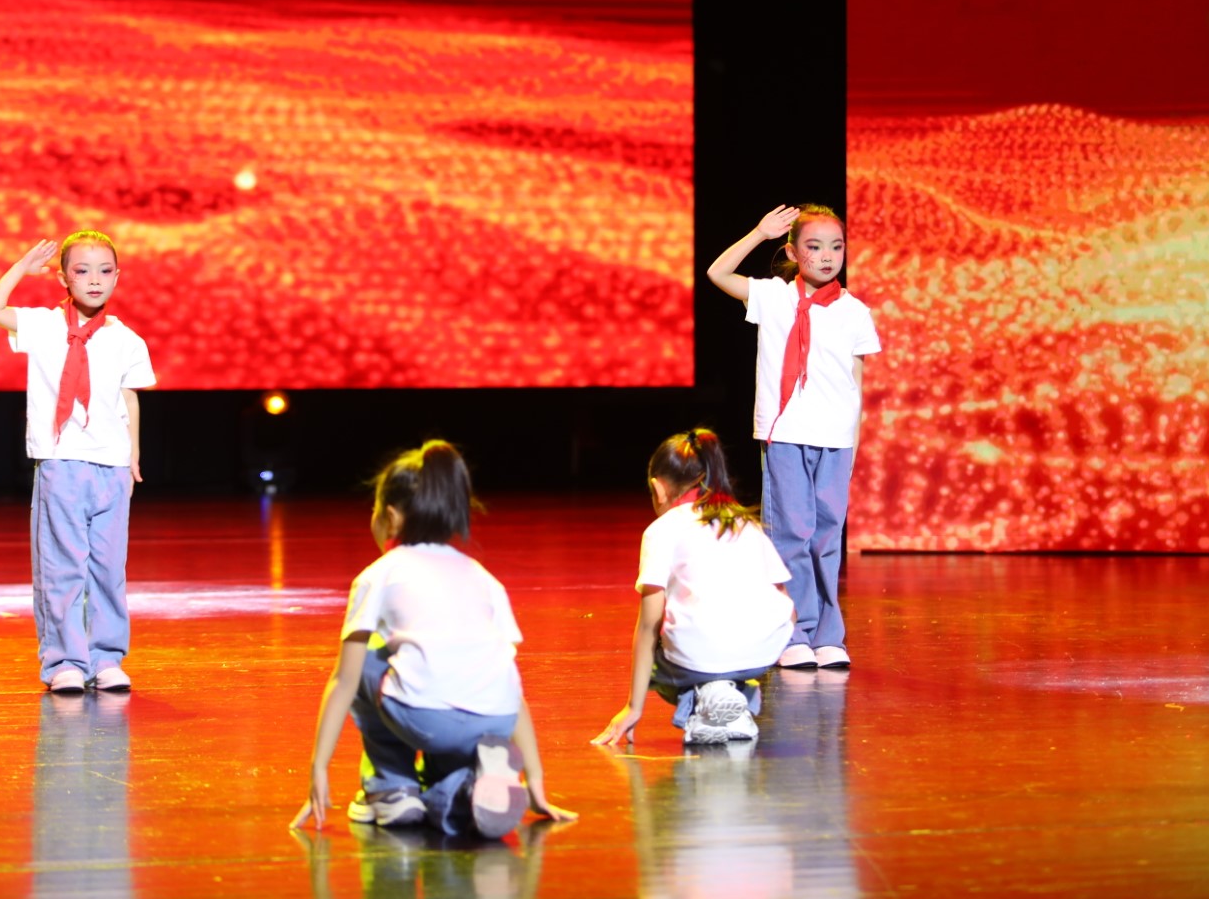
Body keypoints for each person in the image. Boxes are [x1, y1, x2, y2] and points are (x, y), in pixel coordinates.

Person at [290, 440, 575, 838]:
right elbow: (511, 685)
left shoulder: (379, 574)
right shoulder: (484, 578)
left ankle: (392, 788)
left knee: (369, 661)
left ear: (390, 517)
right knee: (448, 729)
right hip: (495, 721)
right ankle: (466, 787)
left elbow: (344, 682)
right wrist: (537, 780)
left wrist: (318, 769)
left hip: (429, 722)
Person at [705, 205, 881, 669]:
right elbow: (717, 273)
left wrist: (853, 446)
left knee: (827, 537)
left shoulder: (854, 312)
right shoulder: (773, 297)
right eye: (814, 246)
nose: (826, 256)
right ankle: (793, 633)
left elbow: (856, 386)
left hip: (835, 439)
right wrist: (757, 233)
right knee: (791, 534)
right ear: (792, 252)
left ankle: (828, 636)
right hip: (784, 434)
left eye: (836, 247)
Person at [0, 231, 157, 694]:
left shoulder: (126, 339)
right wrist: (22, 267)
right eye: (82, 271)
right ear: (63, 278)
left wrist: (132, 455)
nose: (94, 280)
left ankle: (106, 658)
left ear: (117, 277)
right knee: (62, 567)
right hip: (61, 462)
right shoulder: (42, 326)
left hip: (111, 465)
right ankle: (64, 661)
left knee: (108, 568)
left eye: (104, 271)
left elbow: (128, 399)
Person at [592, 429, 795, 747]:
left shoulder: (662, 530)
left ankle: (704, 702)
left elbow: (648, 625)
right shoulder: (746, 523)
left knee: (660, 647)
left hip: (698, 656)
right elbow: (786, 604)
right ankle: (736, 699)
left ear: (658, 489)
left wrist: (633, 708)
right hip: (762, 654)